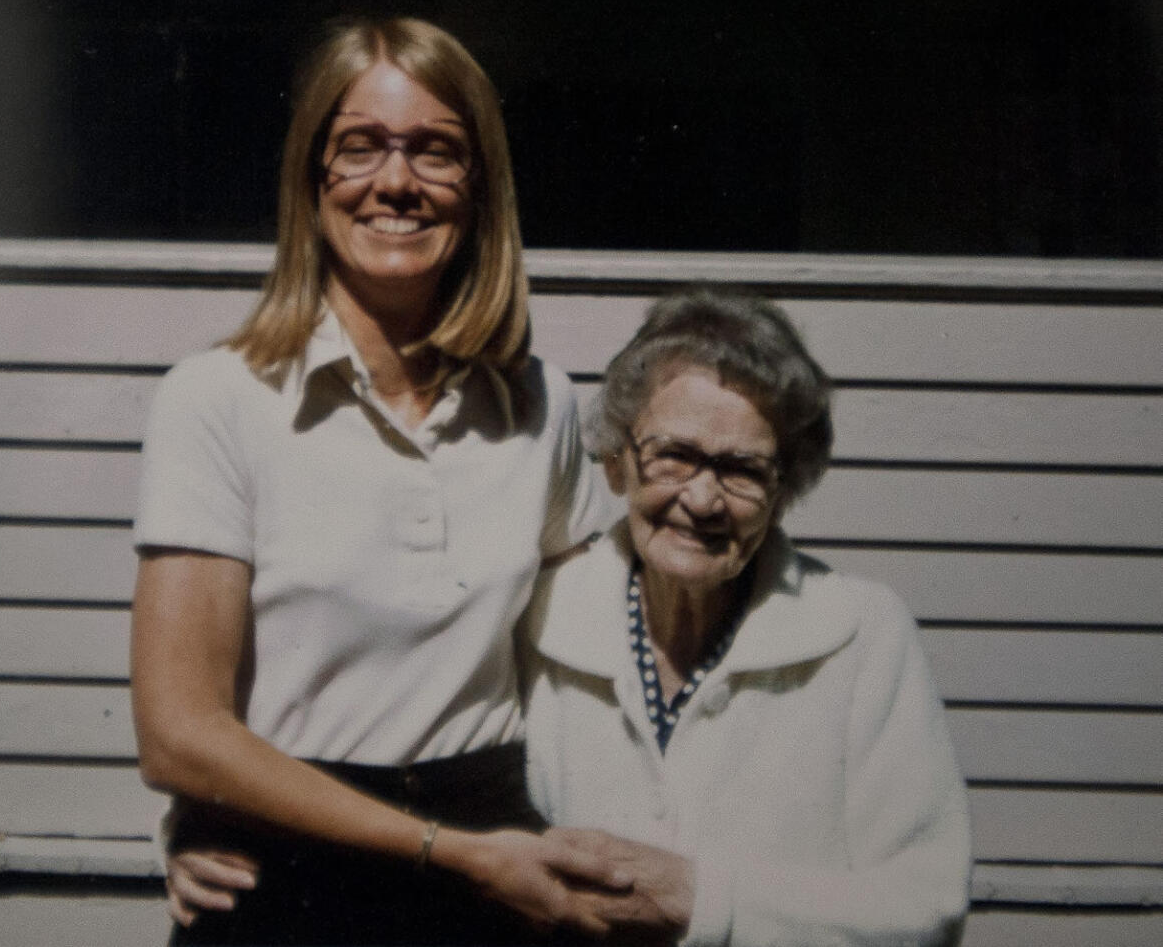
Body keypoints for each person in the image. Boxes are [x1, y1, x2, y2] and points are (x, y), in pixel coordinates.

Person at [167, 288, 973, 945]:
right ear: (618, 457)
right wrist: (216, 823)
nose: (700, 498)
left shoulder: (860, 634)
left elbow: (925, 905)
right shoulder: (543, 611)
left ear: (786, 484)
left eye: (741, 469)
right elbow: (391, 737)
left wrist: (702, 901)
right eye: (675, 455)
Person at [129, 15, 663, 946]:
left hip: (498, 871)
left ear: (481, 187)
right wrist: (201, 811)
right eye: (361, 147)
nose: (396, 182)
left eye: (435, 153)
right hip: (291, 880)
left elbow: (593, 669)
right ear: (313, 178)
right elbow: (179, 731)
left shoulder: (540, 405)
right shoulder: (218, 399)